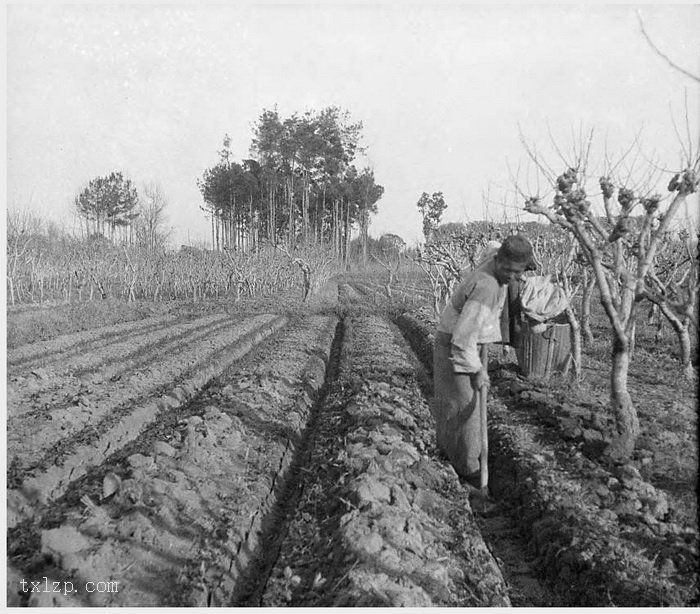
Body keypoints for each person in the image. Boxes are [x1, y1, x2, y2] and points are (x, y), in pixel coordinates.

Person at [432, 234, 536, 488]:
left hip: (469, 341)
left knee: (459, 405)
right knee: (466, 409)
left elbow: (492, 246)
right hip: (456, 345)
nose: (511, 276)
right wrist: (477, 371)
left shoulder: (493, 259)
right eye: (507, 270)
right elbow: (463, 339)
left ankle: (450, 455)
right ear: (498, 260)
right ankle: (469, 473)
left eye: (517, 272)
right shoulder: (486, 288)